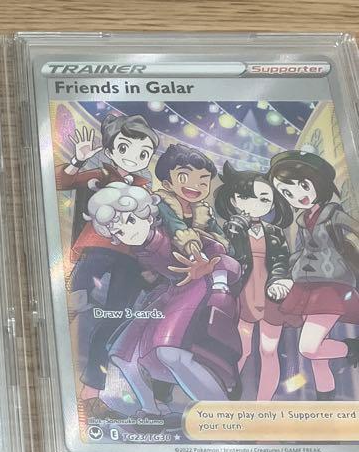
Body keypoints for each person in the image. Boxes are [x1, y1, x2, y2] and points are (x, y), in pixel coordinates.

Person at [85, 182, 241, 422]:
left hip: (198, 287)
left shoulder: (180, 237)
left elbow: (222, 256)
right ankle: (151, 409)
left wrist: (218, 281)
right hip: (170, 292)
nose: (128, 232)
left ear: (147, 215)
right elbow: (157, 275)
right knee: (122, 354)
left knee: (169, 352)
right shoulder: (141, 250)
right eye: (119, 232)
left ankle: (222, 412)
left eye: (130, 221)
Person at [56, 114, 160, 418]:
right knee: (72, 304)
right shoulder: (100, 174)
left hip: (130, 260)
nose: (134, 158)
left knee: (114, 321)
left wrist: (149, 264)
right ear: (111, 150)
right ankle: (59, 370)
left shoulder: (145, 187)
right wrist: (78, 160)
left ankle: (90, 394)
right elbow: (60, 182)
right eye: (125, 148)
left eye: (143, 153)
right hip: (96, 251)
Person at [268, 151, 359, 399]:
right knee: (318, 359)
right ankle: (325, 404)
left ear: (317, 180)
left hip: (331, 285)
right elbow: (298, 253)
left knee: (308, 348)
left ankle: (353, 348)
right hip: (306, 287)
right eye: (287, 193)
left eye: (302, 185)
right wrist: (286, 277)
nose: (297, 195)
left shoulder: (333, 214)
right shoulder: (302, 220)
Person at [214, 162, 293, 400]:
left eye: (264, 199)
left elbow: (281, 260)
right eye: (246, 197)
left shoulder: (275, 232)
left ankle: (263, 404)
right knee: (242, 349)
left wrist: (278, 281)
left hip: (271, 294)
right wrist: (236, 228)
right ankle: (225, 397)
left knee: (269, 350)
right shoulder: (230, 229)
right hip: (243, 294)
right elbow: (228, 256)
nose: (255, 204)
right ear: (234, 199)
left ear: (272, 203)